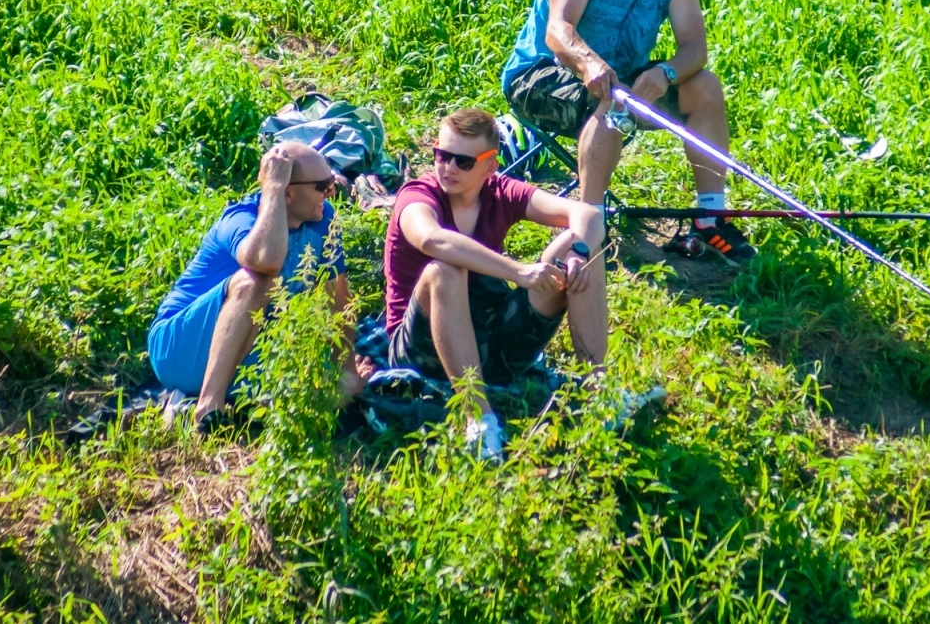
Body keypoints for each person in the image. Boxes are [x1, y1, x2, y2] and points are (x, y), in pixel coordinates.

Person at [501, 0, 755, 264]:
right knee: (611, 100)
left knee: (703, 86)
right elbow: (557, 31)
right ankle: (588, 227)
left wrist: (665, 74)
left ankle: (709, 219)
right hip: (543, 74)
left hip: (624, 79)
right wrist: (590, 65)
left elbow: (694, 49)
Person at [383, 108, 607, 461]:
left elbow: (589, 215)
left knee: (584, 249)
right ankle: (480, 420)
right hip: (418, 351)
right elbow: (432, 240)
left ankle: (599, 392)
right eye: (442, 155)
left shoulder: (500, 191)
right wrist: (517, 271)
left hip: (490, 339)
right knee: (445, 269)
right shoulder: (417, 197)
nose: (448, 167)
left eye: (463, 161)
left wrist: (579, 251)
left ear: (490, 166)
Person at [147, 141, 364, 429]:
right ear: (288, 192)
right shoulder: (240, 218)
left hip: (245, 348)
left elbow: (337, 296)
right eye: (322, 186)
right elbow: (266, 261)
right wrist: (272, 187)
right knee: (259, 281)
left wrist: (345, 372)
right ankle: (209, 406)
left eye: (331, 182)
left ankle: (228, 405)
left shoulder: (323, 221)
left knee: (316, 394)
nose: (331, 192)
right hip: (177, 348)